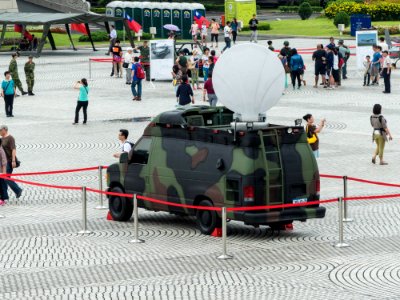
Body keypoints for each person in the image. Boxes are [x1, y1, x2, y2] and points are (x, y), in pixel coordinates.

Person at [0, 125, 22, 199]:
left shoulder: (10, 138)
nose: (0, 132)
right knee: (3, 179)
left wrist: (13, 160)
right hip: (3, 162)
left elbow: (13, 149)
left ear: (5, 130)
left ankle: (18, 190)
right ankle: (5, 196)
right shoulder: (1, 139)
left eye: (0, 130)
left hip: (9, 161)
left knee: (6, 178)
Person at [0, 139, 7, 205]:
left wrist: (4, 172)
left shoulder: (1, 150)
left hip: (1, 172)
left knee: (1, 186)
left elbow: (4, 162)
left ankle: (2, 199)